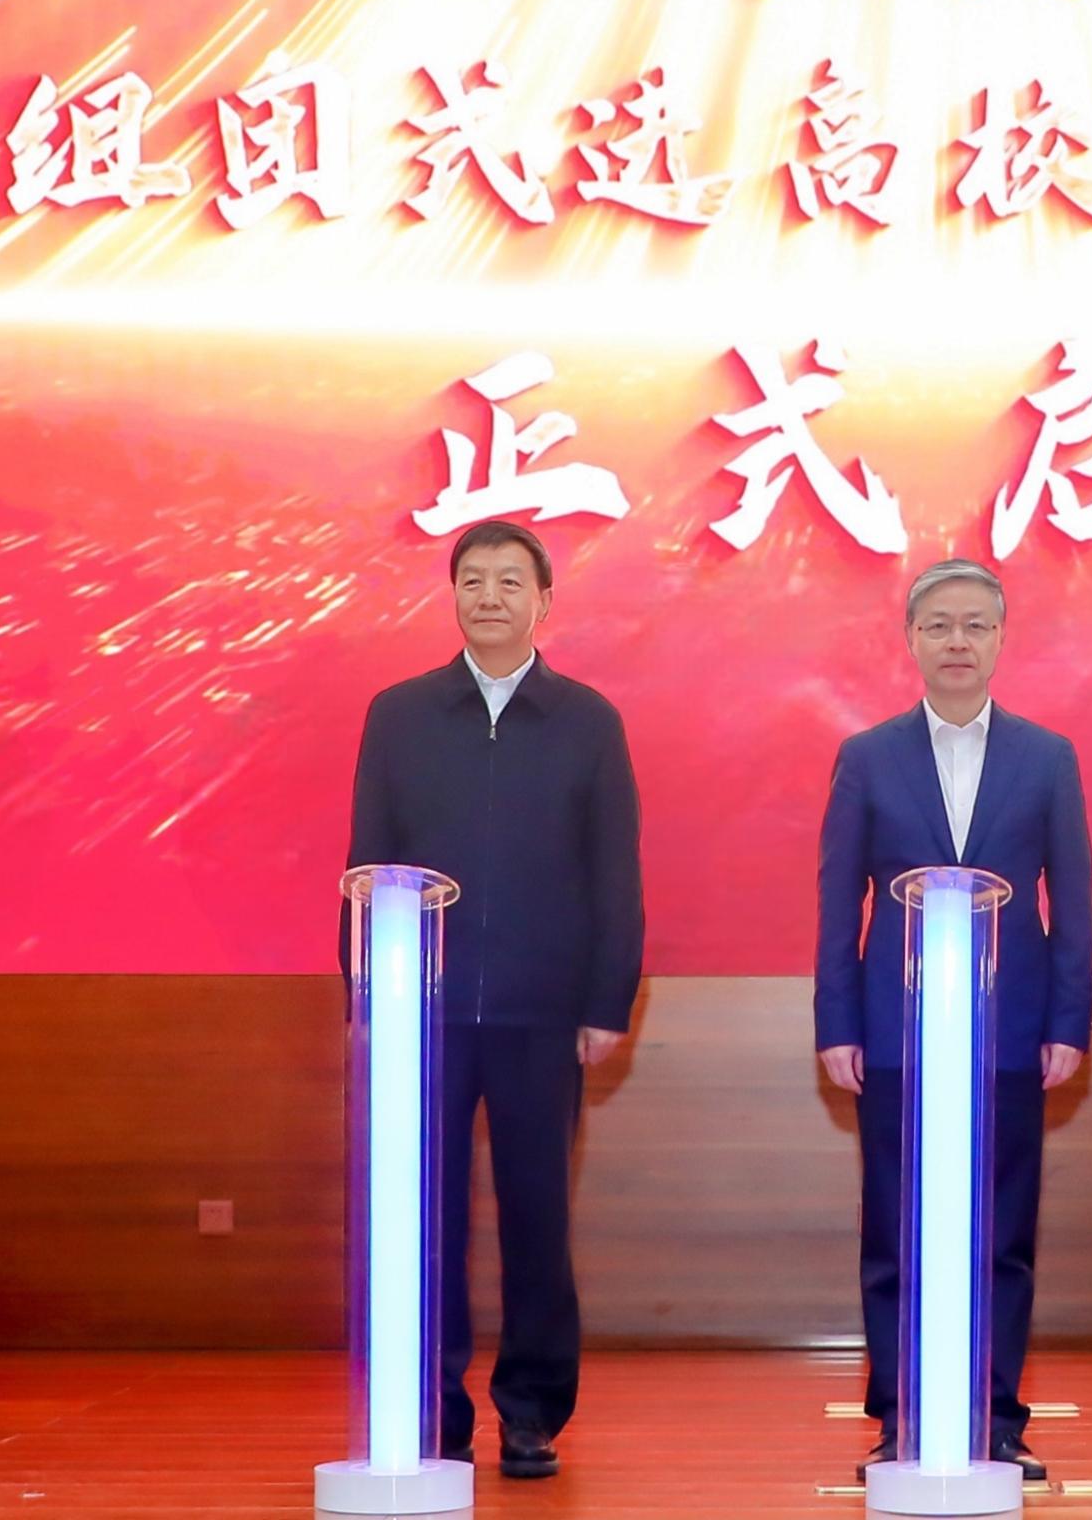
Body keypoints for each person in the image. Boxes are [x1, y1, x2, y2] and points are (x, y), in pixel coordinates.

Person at [343, 518, 643, 1480]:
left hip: (541, 1013)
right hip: (421, 1012)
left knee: (536, 1220)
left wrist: (606, 1002)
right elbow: (366, 861)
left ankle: (531, 1413)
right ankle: (430, 1408)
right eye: (472, 579)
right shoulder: (399, 713)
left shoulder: (588, 720)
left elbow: (616, 875)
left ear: (544, 602)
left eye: (511, 581)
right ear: (453, 596)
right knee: (423, 1215)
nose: (489, 597)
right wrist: (366, 995)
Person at [814, 556, 1092, 1483]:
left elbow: (1074, 900)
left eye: (976, 624)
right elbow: (838, 900)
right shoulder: (867, 756)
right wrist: (837, 1023)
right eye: (939, 625)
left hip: (1009, 1031)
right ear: (911, 641)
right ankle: (901, 1417)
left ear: (1001, 639)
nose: (958, 642)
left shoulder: (1047, 757)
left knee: (1000, 1234)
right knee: (897, 1231)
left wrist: (1068, 1022)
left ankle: (996, 1417)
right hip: (895, 1034)